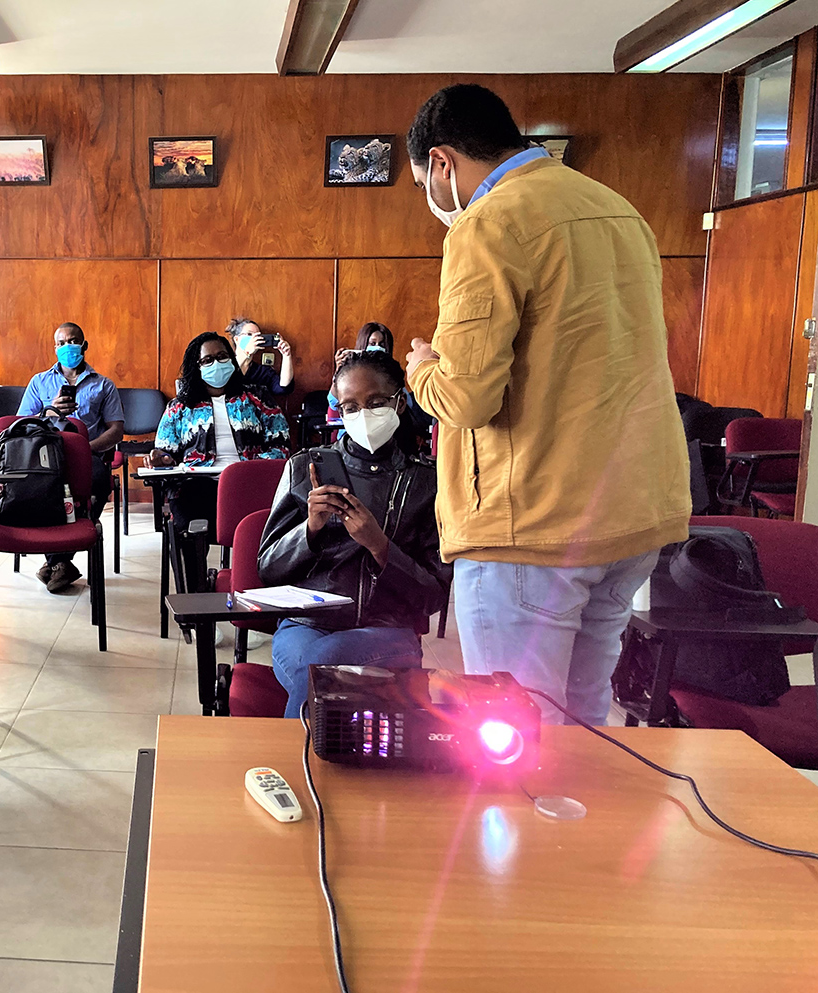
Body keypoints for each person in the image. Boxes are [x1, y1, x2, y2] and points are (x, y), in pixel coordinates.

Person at [402, 83, 690, 725]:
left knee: (515, 731)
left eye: (425, 181)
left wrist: (422, 369)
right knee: (586, 721)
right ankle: (575, 829)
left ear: (442, 163)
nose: (433, 200)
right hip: (630, 507)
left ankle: (530, 828)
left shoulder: (489, 220)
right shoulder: (614, 207)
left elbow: (466, 397)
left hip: (533, 521)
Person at [259, 351, 447, 718]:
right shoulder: (304, 466)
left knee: (319, 665)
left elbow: (433, 596)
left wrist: (379, 546)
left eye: (376, 403)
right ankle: (315, 764)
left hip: (387, 630)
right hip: (305, 625)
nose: (363, 416)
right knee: (316, 662)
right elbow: (269, 569)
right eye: (350, 407)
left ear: (400, 401)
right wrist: (310, 528)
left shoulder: (427, 481)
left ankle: (293, 762)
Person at [149, 331, 289, 582]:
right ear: (196, 366)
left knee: (271, 525)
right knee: (186, 529)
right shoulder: (180, 406)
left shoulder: (257, 397)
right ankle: (196, 601)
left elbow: (281, 445)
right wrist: (162, 459)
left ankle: (256, 590)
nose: (217, 363)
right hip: (197, 486)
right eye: (208, 360)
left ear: (232, 360)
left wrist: (252, 468)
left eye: (222, 356)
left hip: (249, 484)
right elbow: (165, 451)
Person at [15, 322, 125, 592]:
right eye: (62, 343)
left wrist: (86, 449)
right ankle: (61, 561)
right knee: (43, 488)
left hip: (88, 456)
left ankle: (57, 561)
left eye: (73, 341)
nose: (68, 347)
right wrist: (49, 411)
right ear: (55, 348)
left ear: (84, 345)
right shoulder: (39, 382)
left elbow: (116, 430)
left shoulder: (104, 385)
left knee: (99, 483)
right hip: (45, 458)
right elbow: (20, 423)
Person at [330, 322, 434, 444]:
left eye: (382, 344)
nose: (377, 347)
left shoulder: (390, 374)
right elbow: (333, 402)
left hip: (391, 437)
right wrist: (340, 371)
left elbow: (409, 405)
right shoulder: (349, 371)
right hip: (351, 440)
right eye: (372, 343)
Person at [228, 318, 294, 397]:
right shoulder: (223, 364)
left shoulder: (262, 372)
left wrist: (286, 355)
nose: (254, 339)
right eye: (249, 334)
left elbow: (283, 388)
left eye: (258, 336)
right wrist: (246, 353)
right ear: (237, 339)